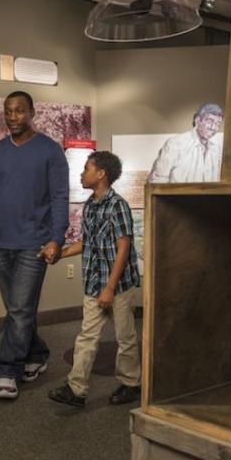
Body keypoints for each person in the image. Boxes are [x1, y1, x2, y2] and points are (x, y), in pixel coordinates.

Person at [0, 91, 69, 400]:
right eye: (8, 111)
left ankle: (7, 369)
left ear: (31, 112)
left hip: (34, 244)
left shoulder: (50, 151)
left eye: (19, 111)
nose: (13, 117)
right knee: (18, 309)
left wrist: (56, 239)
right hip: (1, 244)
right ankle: (38, 352)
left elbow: (60, 198)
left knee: (19, 309)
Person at [48, 151, 141, 408]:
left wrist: (110, 288)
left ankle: (130, 384)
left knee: (125, 338)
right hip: (93, 283)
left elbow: (124, 247)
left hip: (118, 286)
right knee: (86, 337)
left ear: (101, 174)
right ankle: (76, 390)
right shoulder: (89, 205)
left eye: (87, 168)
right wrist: (60, 254)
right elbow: (86, 242)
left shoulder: (118, 205)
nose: (82, 173)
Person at [147, 103, 224, 183]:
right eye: (209, 121)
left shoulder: (216, 148)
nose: (213, 127)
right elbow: (157, 180)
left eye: (217, 124)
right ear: (197, 120)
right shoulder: (175, 143)